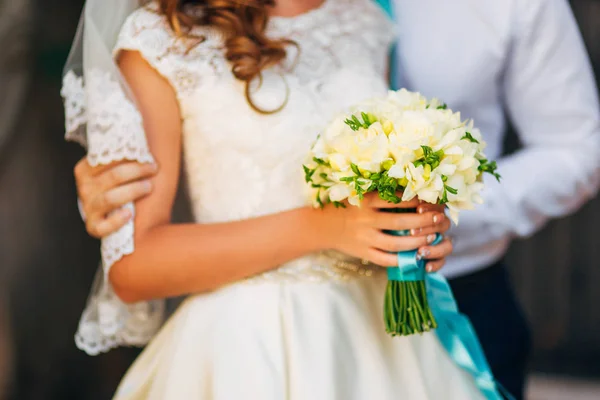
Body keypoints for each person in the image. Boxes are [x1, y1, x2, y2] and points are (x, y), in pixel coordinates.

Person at [73, 0, 600, 398]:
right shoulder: (163, 37)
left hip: (406, 326)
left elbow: (577, 147)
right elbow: (138, 253)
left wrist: (430, 218)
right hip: (250, 342)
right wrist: (327, 225)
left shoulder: (365, 21)